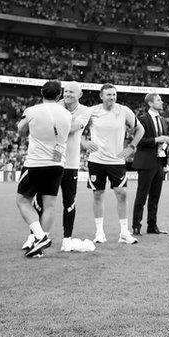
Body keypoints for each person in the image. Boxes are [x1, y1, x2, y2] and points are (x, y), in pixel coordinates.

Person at [16, 80, 71, 258]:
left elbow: (21, 131)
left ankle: (39, 237)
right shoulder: (67, 114)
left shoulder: (31, 111)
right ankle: (40, 245)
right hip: (57, 164)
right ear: (59, 95)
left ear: (41, 92)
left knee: (23, 200)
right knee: (49, 205)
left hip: (35, 163)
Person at [86, 84, 144, 245]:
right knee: (98, 194)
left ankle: (124, 233)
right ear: (101, 96)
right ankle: (99, 232)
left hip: (117, 161)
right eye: (109, 95)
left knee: (122, 193)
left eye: (114, 94)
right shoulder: (92, 112)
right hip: (96, 160)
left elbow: (141, 130)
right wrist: (84, 142)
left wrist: (131, 147)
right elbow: (75, 129)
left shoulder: (124, 111)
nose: (112, 97)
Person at [131, 93, 169, 235]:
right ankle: (136, 226)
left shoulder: (163, 120)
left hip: (159, 162)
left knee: (155, 196)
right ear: (150, 103)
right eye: (158, 100)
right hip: (146, 162)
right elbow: (138, 141)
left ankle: (152, 226)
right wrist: (157, 139)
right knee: (142, 195)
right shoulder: (142, 119)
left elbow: (163, 142)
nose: (161, 102)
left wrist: (167, 141)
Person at [60, 81, 94, 253]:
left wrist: (55, 124)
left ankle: (67, 238)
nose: (67, 94)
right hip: (51, 161)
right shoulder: (55, 105)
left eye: (72, 92)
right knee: (43, 199)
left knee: (69, 201)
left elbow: (72, 128)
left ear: (80, 95)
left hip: (70, 163)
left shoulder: (85, 111)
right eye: (65, 91)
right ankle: (35, 236)